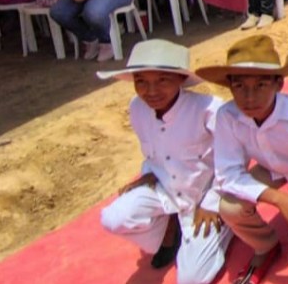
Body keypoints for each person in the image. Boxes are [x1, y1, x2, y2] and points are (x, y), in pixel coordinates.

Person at [197, 35, 288, 283]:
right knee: (229, 207)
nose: (249, 97)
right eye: (240, 86)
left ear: (278, 84)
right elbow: (228, 174)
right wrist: (279, 199)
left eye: (260, 85)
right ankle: (265, 245)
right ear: (230, 87)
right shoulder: (227, 116)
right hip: (272, 166)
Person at [96, 40, 232, 284]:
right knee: (113, 218)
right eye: (141, 81)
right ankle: (168, 229)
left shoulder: (209, 108)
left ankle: (225, 228)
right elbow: (152, 152)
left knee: (192, 280)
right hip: (166, 188)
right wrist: (148, 172)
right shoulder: (137, 107)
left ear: (181, 79)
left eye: (162, 80)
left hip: (204, 196)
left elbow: (234, 157)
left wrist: (212, 202)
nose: (151, 91)